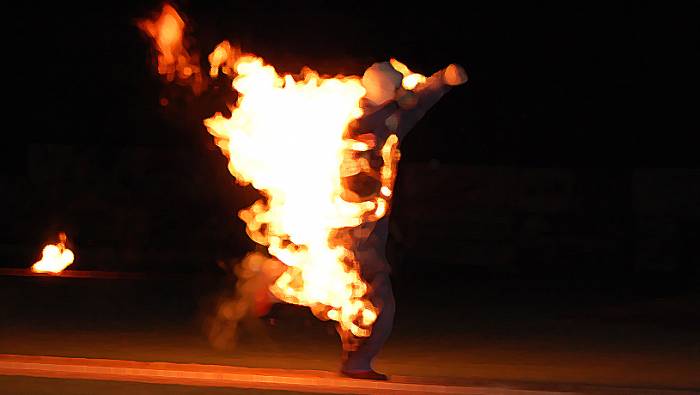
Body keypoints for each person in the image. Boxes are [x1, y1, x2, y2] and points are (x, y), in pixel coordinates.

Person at [338, 61, 468, 380]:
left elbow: (417, 103)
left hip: (367, 228)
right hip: (353, 230)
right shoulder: (356, 120)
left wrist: (443, 81)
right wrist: (397, 102)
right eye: (396, 88)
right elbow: (360, 128)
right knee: (379, 296)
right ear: (387, 91)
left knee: (354, 297)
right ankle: (357, 362)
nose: (404, 92)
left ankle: (269, 285)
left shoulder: (392, 116)